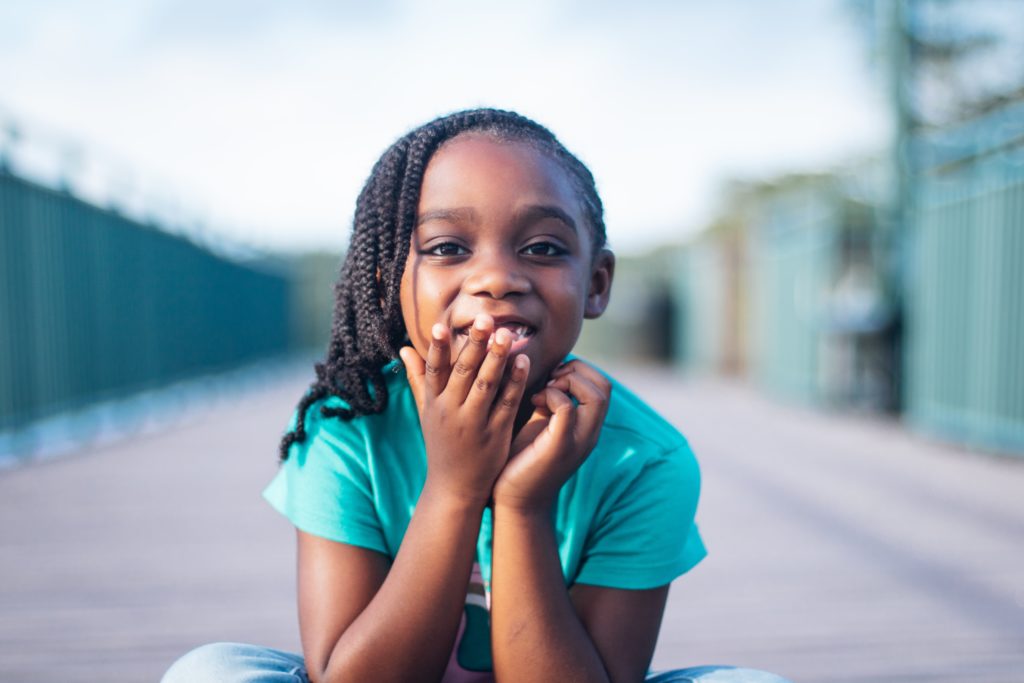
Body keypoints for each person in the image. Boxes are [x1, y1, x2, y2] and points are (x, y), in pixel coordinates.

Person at [162, 109, 790, 683]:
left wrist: (523, 507)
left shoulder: (644, 459)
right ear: (389, 284)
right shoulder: (349, 425)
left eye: (542, 249)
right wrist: (456, 488)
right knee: (210, 673)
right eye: (447, 249)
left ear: (596, 284)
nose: (496, 278)